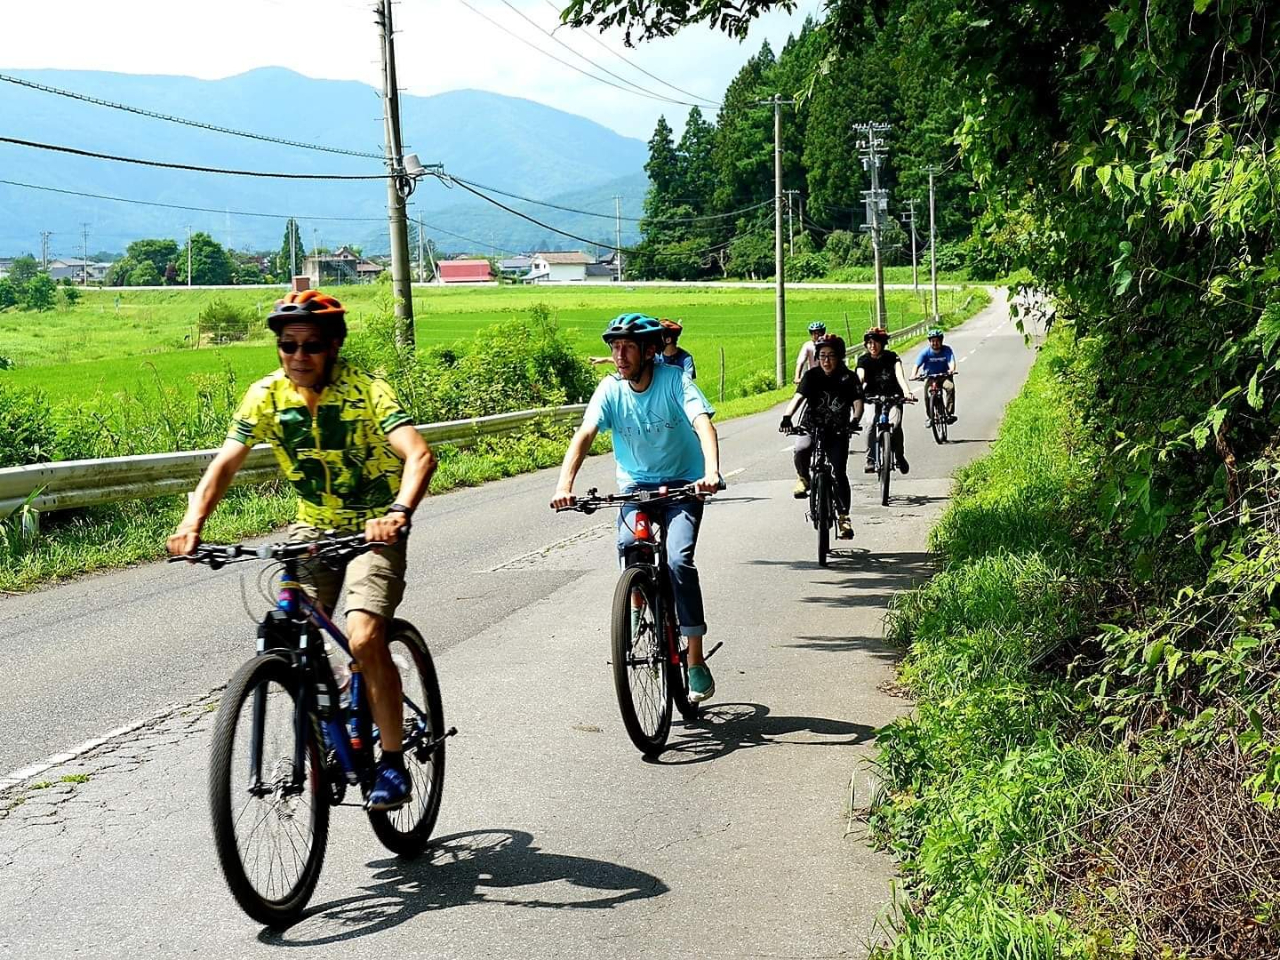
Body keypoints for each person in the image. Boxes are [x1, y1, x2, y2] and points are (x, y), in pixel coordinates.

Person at [166, 289, 437, 812]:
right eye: (287, 346)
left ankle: (392, 760)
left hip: (371, 530)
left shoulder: (366, 391)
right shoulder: (266, 395)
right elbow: (224, 464)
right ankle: (331, 700)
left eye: (311, 345)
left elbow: (419, 455)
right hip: (311, 529)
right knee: (286, 629)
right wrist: (192, 523)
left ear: (333, 345)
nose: (298, 356)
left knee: (363, 635)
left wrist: (398, 512)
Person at [550, 313, 722, 703]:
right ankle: (636, 601)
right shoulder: (610, 390)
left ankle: (695, 660)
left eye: (627, 347)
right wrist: (565, 485)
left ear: (649, 351)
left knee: (678, 560)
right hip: (636, 487)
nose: (618, 355)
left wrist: (711, 472)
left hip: (684, 483)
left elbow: (703, 425)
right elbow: (585, 434)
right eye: (614, 348)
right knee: (632, 546)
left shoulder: (675, 381)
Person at [778, 335, 863, 539]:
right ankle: (804, 478)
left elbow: (858, 401)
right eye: (822, 356)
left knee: (839, 472)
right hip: (811, 424)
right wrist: (787, 417)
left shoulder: (848, 377)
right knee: (801, 449)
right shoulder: (812, 376)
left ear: (840, 357)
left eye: (831, 356)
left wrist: (855, 420)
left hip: (838, 429)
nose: (826, 360)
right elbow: (799, 397)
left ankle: (843, 518)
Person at [855, 326, 916, 475]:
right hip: (871, 398)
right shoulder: (864, 360)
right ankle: (870, 459)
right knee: (870, 424)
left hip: (893, 398)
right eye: (869, 343)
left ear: (882, 343)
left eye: (875, 342)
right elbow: (860, 376)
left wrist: (907, 392)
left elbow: (899, 375)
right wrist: (855, 390)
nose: (872, 346)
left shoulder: (892, 357)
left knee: (895, 427)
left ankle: (899, 456)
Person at [912, 328, 957, 424]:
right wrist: (913, 375)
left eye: (937, 341)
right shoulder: (925, 352)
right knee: (927, 394)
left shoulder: (946, 350)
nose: (935, 343)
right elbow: (917, 365)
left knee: (950, 388)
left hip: (944, 376)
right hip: (930, 378)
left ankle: (949, 413)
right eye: (932, 341)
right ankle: (930, 417)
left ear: (941, 341)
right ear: (929, 342)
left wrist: (951, 369)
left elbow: (951, 361)